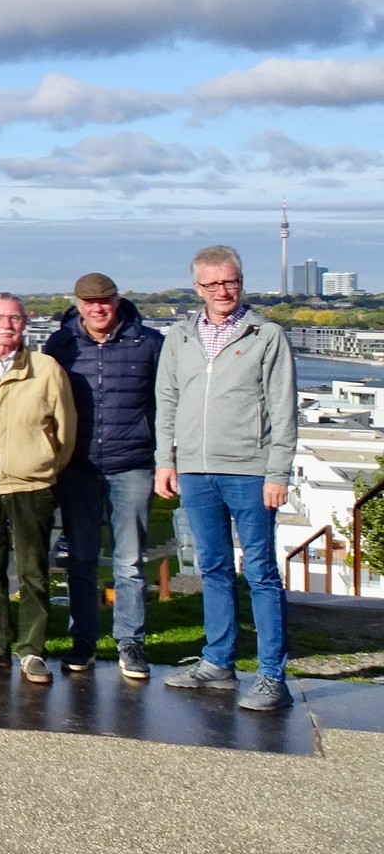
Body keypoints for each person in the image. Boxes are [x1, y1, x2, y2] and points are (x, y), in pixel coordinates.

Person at [155, 245, 299, 711]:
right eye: (212, 284)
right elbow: (168, 403)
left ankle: (271, 675)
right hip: (196, 471)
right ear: (197, 287)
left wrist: (278, 472)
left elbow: (283, 409)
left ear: (241, 282)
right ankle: (218, 663)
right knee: (212, 569)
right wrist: (166, 460)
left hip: (250, 471)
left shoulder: (266, 335)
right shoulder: (179, 337)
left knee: (260, 572)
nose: (222, 291)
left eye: (230, 282)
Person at [42, 272, 164, 679]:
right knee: (81, 560)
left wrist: (165, 458)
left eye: (104, 301)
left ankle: (131, 643)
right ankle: (84, 642)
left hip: (131, 463)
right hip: (78, 467)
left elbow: (164, 405)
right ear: (78, 305)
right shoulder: (60, 345)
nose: (97, 309)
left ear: (116, 301)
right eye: (89, 302)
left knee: (129, 561)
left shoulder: (148, 344)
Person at [0, 293, 75, 685]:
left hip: (30, 485)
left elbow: (65, 429)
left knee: (33, 571)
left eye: (15, 319)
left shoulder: (46, 369)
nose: (7, 325)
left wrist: (44, 465)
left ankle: (33, 649)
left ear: (24, 324)